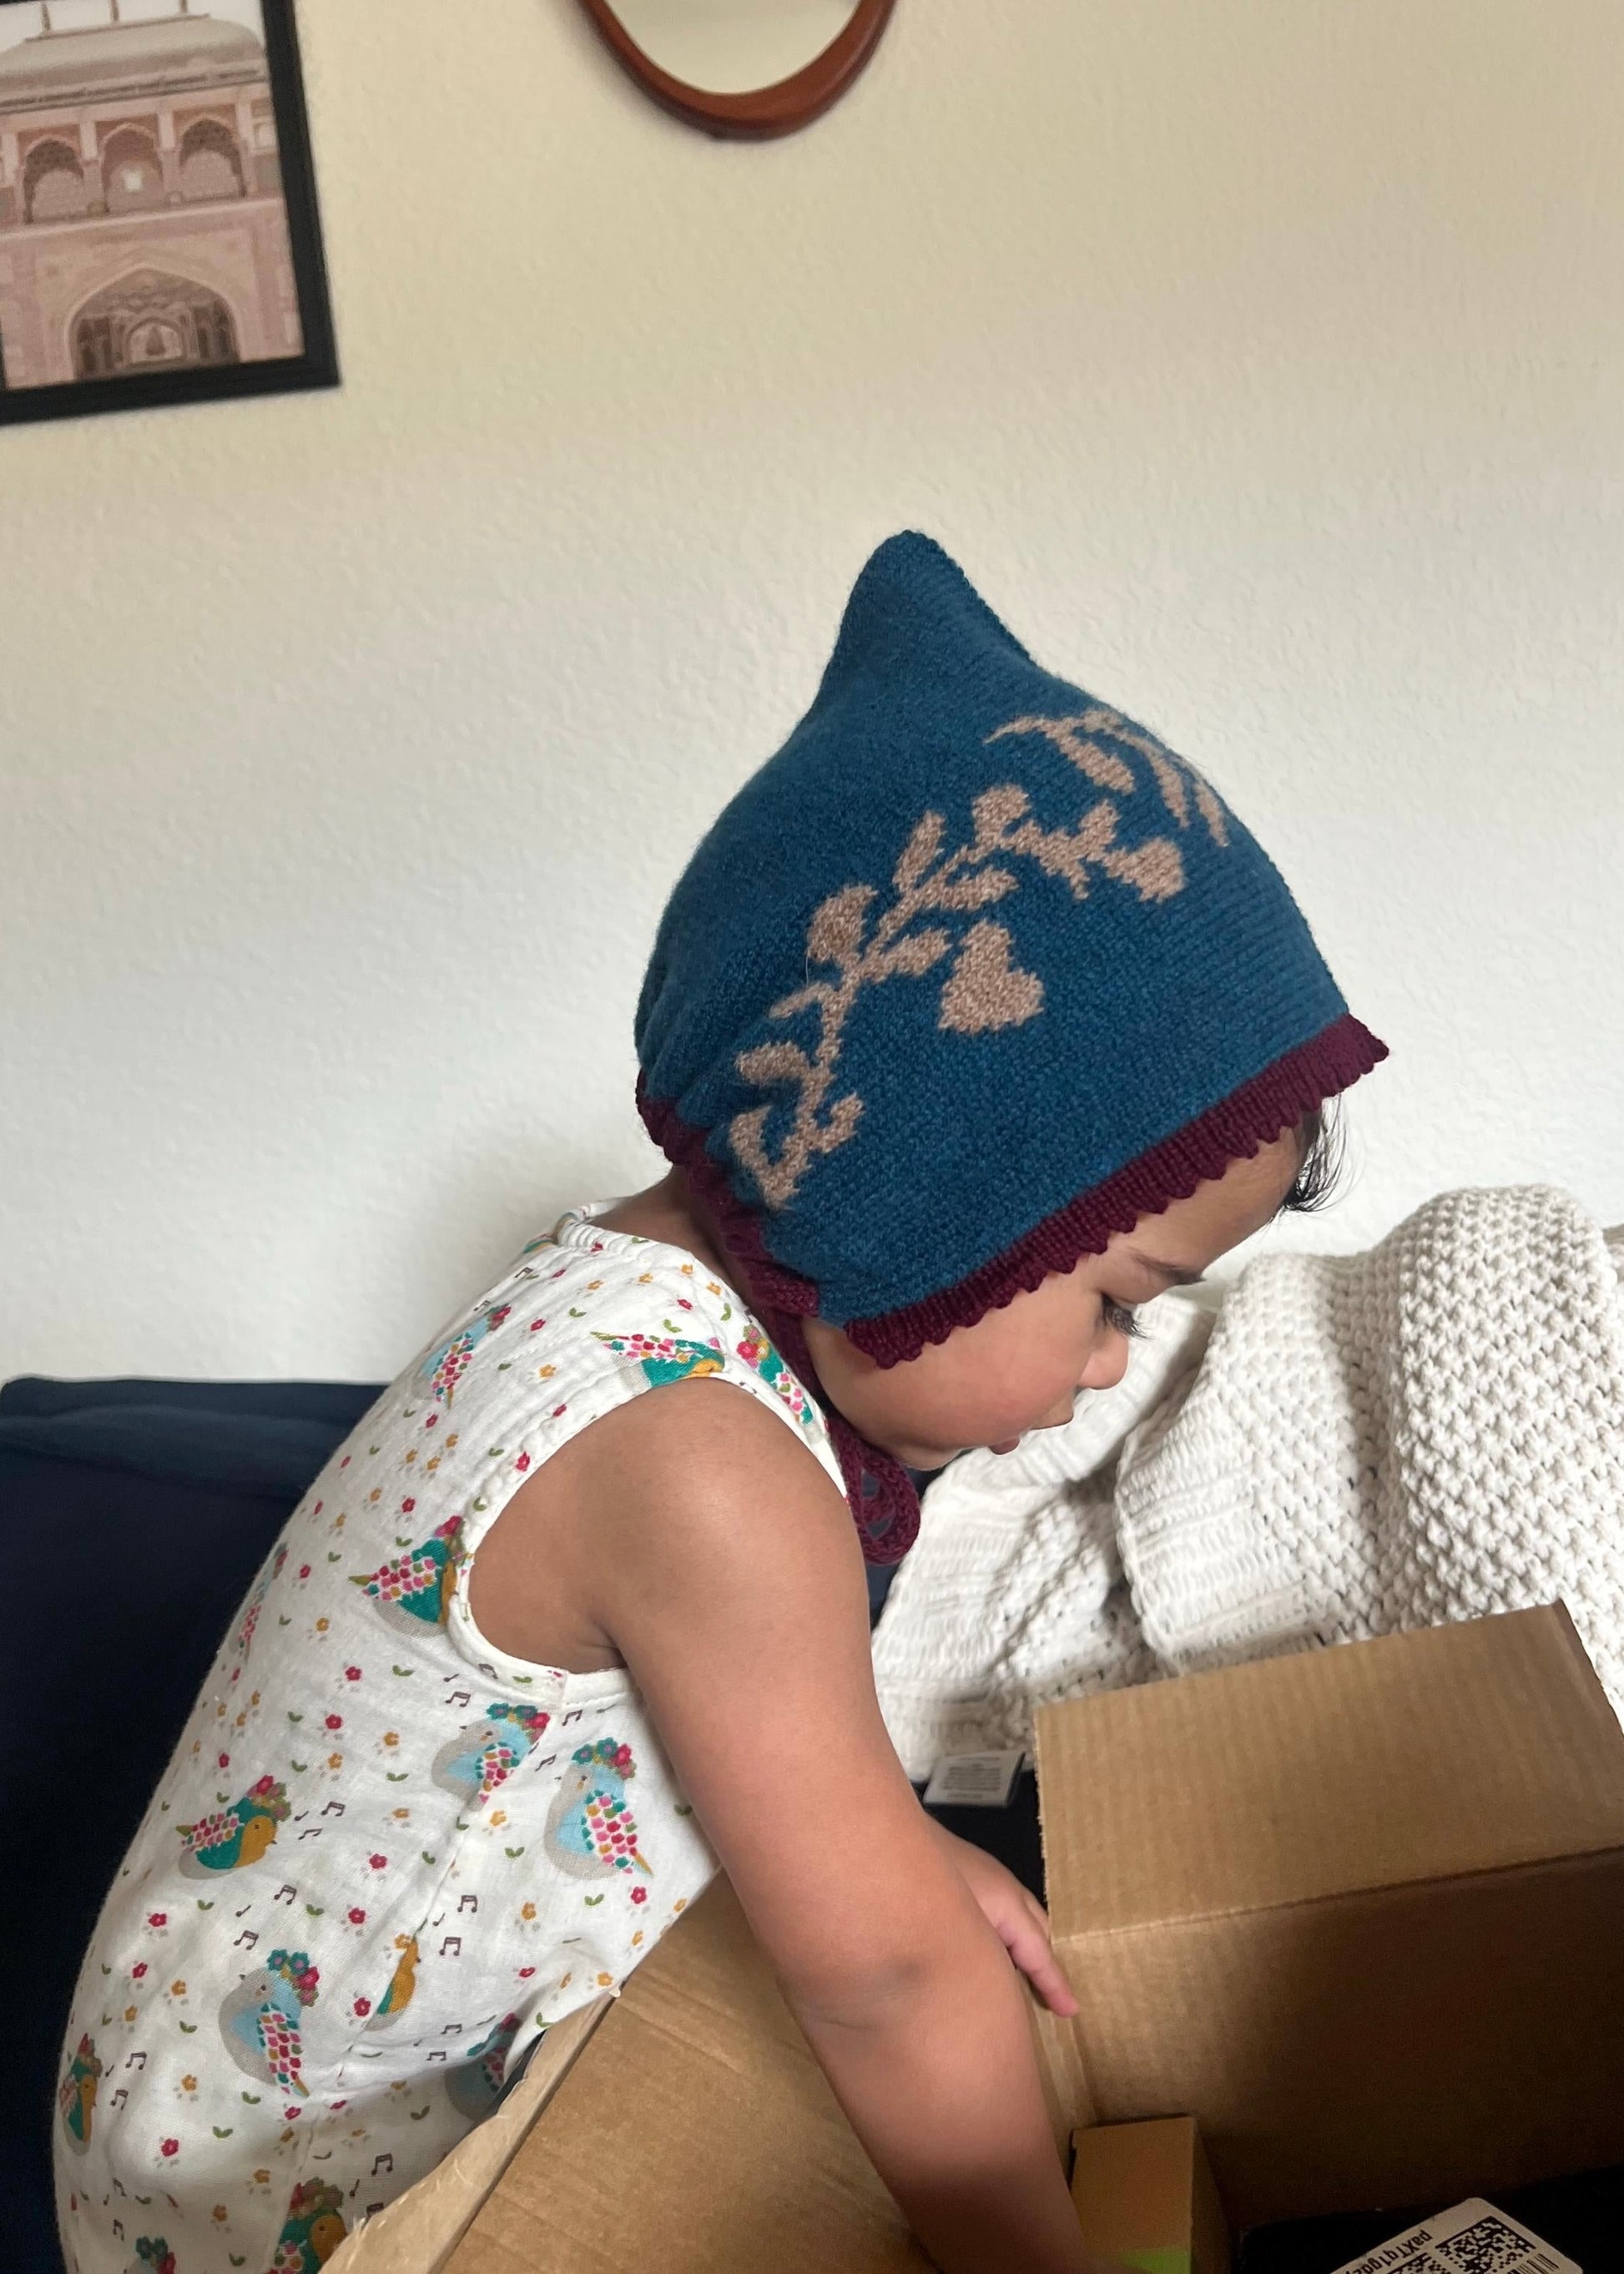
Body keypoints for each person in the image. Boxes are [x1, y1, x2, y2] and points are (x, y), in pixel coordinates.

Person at [56, 534, 1385, 2274]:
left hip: (253, 2068)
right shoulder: (698, 1459)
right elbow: (887, 1983)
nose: (1104, 1374)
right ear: (925, 1194)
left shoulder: (635, 1295)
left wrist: (889, 1843)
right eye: (1112, 1300)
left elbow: (772, 1781)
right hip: (292, 2191)